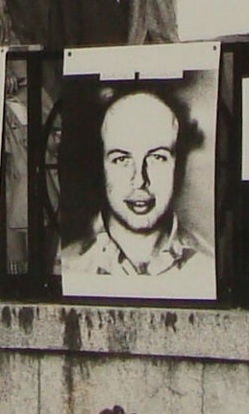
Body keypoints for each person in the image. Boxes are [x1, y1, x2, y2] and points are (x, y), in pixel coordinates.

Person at [61, 86, 214, 280]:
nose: (140, 180)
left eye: (157, 157)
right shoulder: (69, 267)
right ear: (100, 165)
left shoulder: (208, 268)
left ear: (179, 165)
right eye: (121, 159)